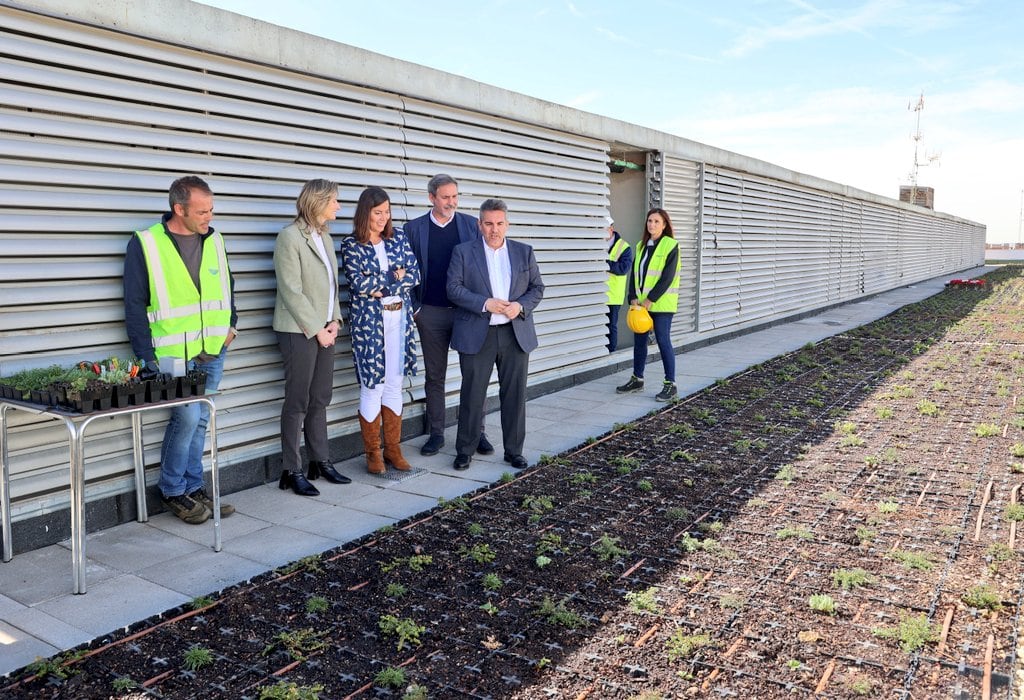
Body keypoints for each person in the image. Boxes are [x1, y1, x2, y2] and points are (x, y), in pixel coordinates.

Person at [123, 176, 236, 524]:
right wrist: (146, 358)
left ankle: (193, 486)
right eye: (202, 211)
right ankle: (173, 490)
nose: (209, 217)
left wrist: (232, 323)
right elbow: (135, 304)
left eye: (211, 209)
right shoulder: (146, 243)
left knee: (201, 418)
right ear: (179, 209)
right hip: (172, 353)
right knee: (186, 416)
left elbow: (228, 284)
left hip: (213, 348)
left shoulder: (214, 239)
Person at [446, 199, 544, 471]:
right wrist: (484, 303)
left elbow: (537, 288)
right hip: (479, 333)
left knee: (514, 395)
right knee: (472, 395)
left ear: (507, 224)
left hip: (515, 334)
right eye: (488, 223)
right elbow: (453, 288)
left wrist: (520, 306)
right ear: (479, 224)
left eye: (499, 223)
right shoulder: (464, 252)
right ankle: (465, 450)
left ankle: (514, 451)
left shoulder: (524, 252)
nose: (494, 229)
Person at [405, 174, 493, 457]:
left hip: (466, 313)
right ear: (431, 198)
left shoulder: (471, 225)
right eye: (445, 197)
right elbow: (404, 271)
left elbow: (485, 264)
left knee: (475, 374)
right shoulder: (413, 229)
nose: (451, 202)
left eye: (455, 197)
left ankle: (476, 432)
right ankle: (437, 433)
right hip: (429, 312)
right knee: (435, 376)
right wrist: (415, 308)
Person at [272, 179, 350, 497]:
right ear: (317, 201)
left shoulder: (325, 238)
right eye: (334, 201)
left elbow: (332, 286)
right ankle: (292, 469)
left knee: (321, 397)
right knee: (298, 401)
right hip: (297, 330)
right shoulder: (289, 238)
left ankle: (321, 460)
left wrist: (334, 322)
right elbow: (291, 290)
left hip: (324, 331)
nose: (339, 207)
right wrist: (317, 329)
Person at [340, 187, 421, 474]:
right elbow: (359, 284)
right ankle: (372, 453)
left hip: (399, 319)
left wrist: (381, 283)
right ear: (365, 213)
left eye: (387, 212)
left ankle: (393, 451)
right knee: (372, 384)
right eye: (378, 213)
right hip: (369, 324)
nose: (383, 218)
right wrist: (393, 276)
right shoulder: (352, 244)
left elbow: (414, 274)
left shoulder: (398, 236)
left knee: (394, 383)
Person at [616, 207, 680, 402]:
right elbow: (635, 274)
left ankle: (671, 384)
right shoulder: (641, 246)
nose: (652, 224)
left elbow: (667, 277)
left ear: (665, 225)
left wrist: (651, 299)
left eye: (656, 221)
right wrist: (632, 296)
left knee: (663, 340)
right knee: (639, 342)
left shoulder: (671, 245)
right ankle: (637, 379)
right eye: (650, 221)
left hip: (661, 304)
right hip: (642, 306)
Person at [604, 215, 633, 352]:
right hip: (598, 295)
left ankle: (611, 351)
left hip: (613, 296)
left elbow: (623, 269)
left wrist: (605, 264)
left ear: (611, 229)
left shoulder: (624, 247)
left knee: (610, 325)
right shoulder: (596, 244)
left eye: (604, 229)